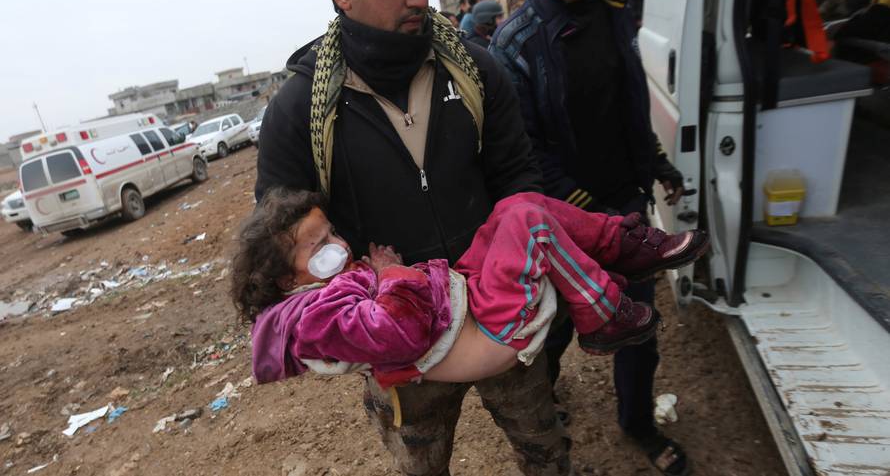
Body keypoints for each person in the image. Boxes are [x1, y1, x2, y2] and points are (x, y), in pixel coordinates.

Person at [255, 0, 572, 474]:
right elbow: (287, 252)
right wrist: (373, 315)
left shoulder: (476, 68)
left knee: (545, 451)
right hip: (399, 346)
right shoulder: (298, 111)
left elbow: (520, 182)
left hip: (501, 315)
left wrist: (508, 279)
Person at [490, 0, 691, 475]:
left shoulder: (615, 7)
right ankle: (546, 407)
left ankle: (637, 425)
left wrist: (658, 165)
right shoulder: (516, 44)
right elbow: (522, 155)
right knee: (551, 333)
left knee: (638, 329)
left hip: (626, 212)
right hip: (562, 226)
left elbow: (629, 110)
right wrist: (586, 216)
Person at [237, 189, 710, 387]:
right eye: (318, 246)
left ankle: (623, 245)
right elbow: (399, 333)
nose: (338, 246)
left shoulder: (328, 288)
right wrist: (391, 275)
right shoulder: (314, 317)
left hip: (466, 302)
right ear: (286, 280)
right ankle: (602, 318)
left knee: (515, 205)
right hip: (484, 332)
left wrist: (388, 277)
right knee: (530, 225)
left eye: (332, 233)